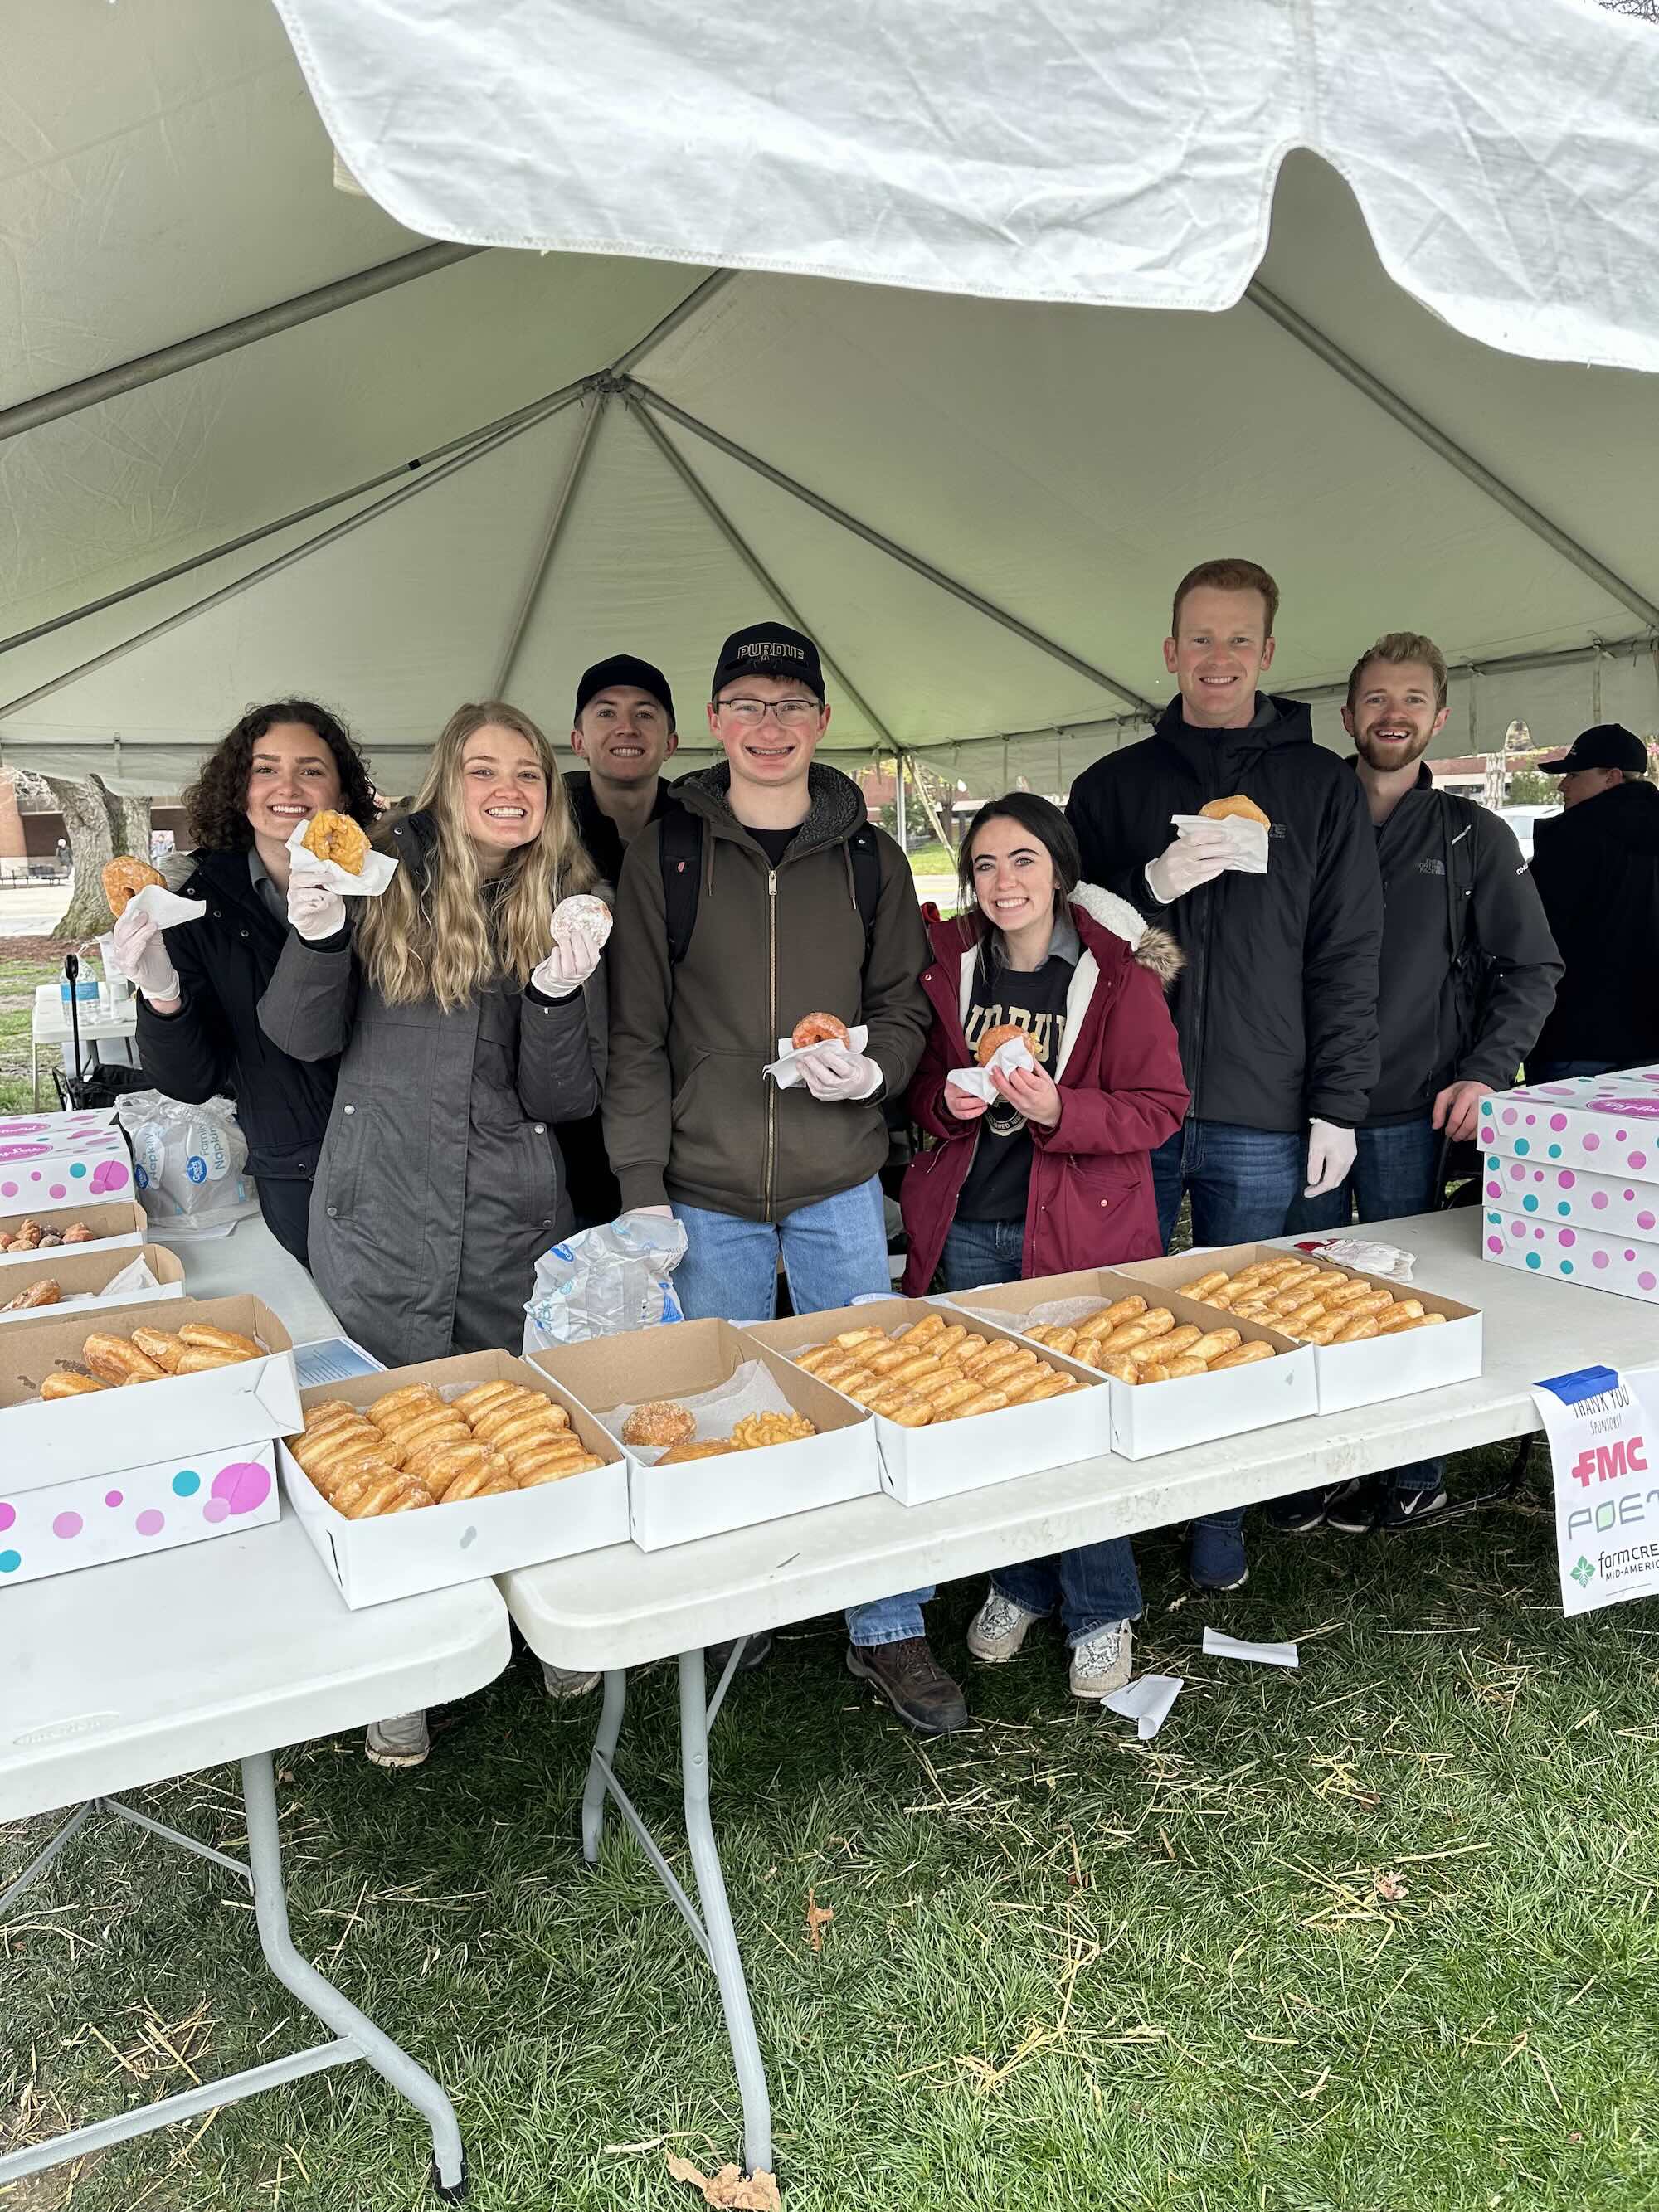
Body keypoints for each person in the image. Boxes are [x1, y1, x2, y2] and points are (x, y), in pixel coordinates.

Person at [605, 621, 954, 1732]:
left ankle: (888, 1623)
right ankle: (725, 1612)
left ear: (822, 722)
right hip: (705, 1187)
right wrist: (639, 1184)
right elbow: (635, 1034)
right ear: (715, 720)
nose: (769, 726)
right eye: (747, 705)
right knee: (712, 1410)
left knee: (874, 1396)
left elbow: (906, 1002)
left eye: (790, 706)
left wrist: (874, 1069)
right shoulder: (667, 849)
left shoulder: (869, 855)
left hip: (839, 1178)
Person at [260, 702, 606, 1767]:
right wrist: (317, 934)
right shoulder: (375, 871)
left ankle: (546, 1613)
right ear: (444, 780)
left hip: (507, 1206)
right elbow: (301, 1037)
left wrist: (557, 994)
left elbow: (566, 1091)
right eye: (482, 769)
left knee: (514, 1414)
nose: (508, 789)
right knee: (391, 1428)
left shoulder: (567, 896)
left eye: (529, 774)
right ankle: (408, 1664)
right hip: (383, 1199)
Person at [1065, 557, 1384, 1592]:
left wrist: (1338, 1097)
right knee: (1112, 1317)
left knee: (1248, 1326)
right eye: (1197, 638)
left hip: (1260, 1101)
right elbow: (1061, 933)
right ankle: (1116, 1511)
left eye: (1236, 639)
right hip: (1129, 1107)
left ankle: (1220, 1525)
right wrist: (1142, 885)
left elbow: (1346, 952)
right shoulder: (1112, 786)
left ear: (1267, 652)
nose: (1216, 658)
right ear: (1168, 651)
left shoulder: (1318, 786)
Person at [900, 795, 1188, 1698]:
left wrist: (1062, 1110)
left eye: (1021, 860)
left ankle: (1102, 1607)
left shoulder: (1116, 976)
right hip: (969, 1228)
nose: (1003, 882)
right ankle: (1020, 1581)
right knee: (998, 1416)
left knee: (1079, 1421)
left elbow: (1160, 1107)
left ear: (1058, 870)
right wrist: (940, 1108)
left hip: (1074, 1226)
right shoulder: (947, 970)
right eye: (984, 866)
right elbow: (914, 1097)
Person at [1273, 633, 1561, 1532]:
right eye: (1373, 698)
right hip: (1296, 1105)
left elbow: (1533, 968)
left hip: (1411, 1105)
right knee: (1299, 1285)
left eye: (1409, 700)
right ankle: (1304, 1464)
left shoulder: (1467, 834)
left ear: (1436, 718)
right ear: (1347, 713)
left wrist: (1483, 1072)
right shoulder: (1297, 818)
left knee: (1406, 1293)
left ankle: (1410, 1463)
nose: (1389, 715)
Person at [113, 700, 378, 1265]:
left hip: (404, 1161)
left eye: (311, 769)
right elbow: (190, 1081)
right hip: (296, 1173)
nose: (288, 786)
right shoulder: (195, 907)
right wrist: (163, 997)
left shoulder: (387, 892)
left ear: (343, 793)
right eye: (265, 769)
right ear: (240, 789)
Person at [559, 654, 682, 1228]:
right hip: (568, 1097)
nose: (626, 726)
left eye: (645, 713)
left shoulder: (700, 830)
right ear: (579, 739)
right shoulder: (540, 831)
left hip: (677, 1093)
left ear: (673, 740)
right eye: (607, 712)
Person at [1529, 723, 1659, 1082]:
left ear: (1612, 777)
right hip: (1650, 1044)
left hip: (1575, 1039)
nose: (1562, 785)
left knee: (1560, 1139)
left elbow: (1531, 938)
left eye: (1573, 774)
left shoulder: (1570, 838)